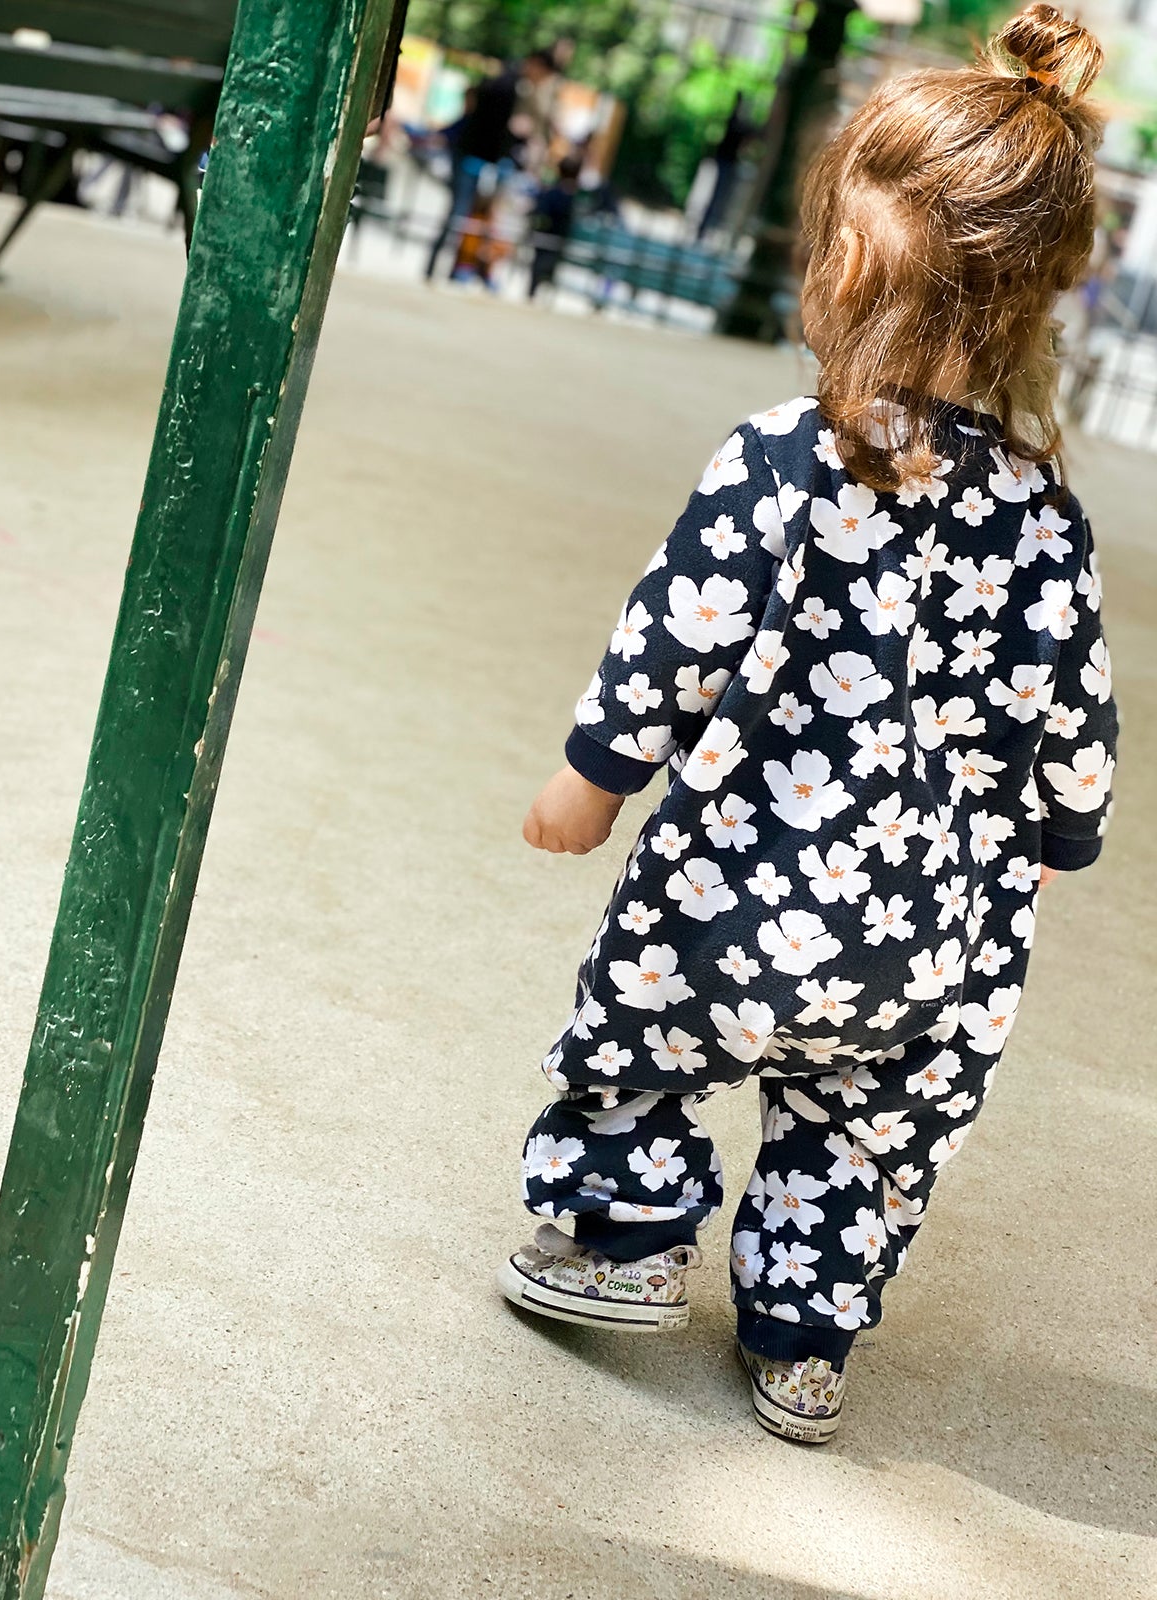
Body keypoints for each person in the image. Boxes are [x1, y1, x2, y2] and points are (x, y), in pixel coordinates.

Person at [498, 3, 1119, 1447]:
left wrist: (590, 781)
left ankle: (618, 1242)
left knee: (640, 1048)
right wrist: (1054, 840)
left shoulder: (780, 460)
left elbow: (677, 635)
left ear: (840, 262)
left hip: (738, 892)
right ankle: (803, 1334)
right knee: (868, 1143)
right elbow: (1075, 723)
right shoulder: (1045, 517)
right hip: (933, 935)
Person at [425, 50, 557, 282]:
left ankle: (454, 268)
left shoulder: (507, 82)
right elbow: (494, 127)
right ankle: (445, 269)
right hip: (475, 157)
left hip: (479, 157)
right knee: (461, 215)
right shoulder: (511, 86)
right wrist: (516, 135)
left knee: (468, 216)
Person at [696, 93, 753, 241]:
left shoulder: (736, 121)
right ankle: (705, 228)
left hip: (727, 162)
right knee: (718, 196)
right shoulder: (734, 122)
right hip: (726, 162)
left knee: (719, 197)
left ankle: (707, 228)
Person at [527, 156, 581, 299]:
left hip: (546, 239)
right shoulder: (577, 196)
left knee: (540, 265)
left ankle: (532, 292)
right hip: (559, 241)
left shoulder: (552, 193)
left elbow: (539, 213)